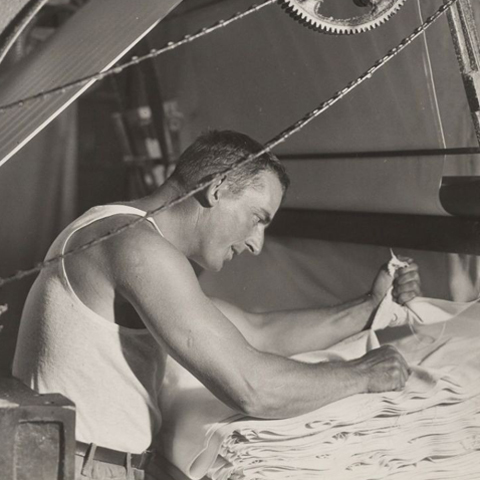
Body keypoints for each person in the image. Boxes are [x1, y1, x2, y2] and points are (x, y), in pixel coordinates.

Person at [12, 130, 421, 480]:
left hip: (81, 462)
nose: (257, 244)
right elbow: (253, 388)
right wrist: (363, 375)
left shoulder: (125, 232)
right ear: (218, 187)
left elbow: (257, 332)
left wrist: (371, 305)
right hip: (81, 469)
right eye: (258, 218)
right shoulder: (134, 244)